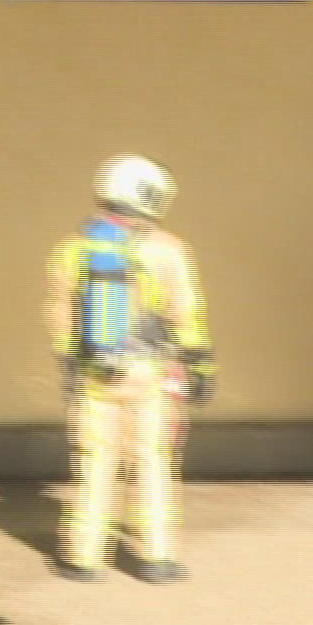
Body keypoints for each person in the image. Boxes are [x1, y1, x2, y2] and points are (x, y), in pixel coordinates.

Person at [44, 155, 216, 583]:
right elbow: (186, 312)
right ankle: (157, 557)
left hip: (94, 372)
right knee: (152, 461)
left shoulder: (72, 248)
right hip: (150, 372)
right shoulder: (168, 248)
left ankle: (84, 558)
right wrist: (200, 364)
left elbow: (59, 312)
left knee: (94, 461)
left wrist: (68, 361)